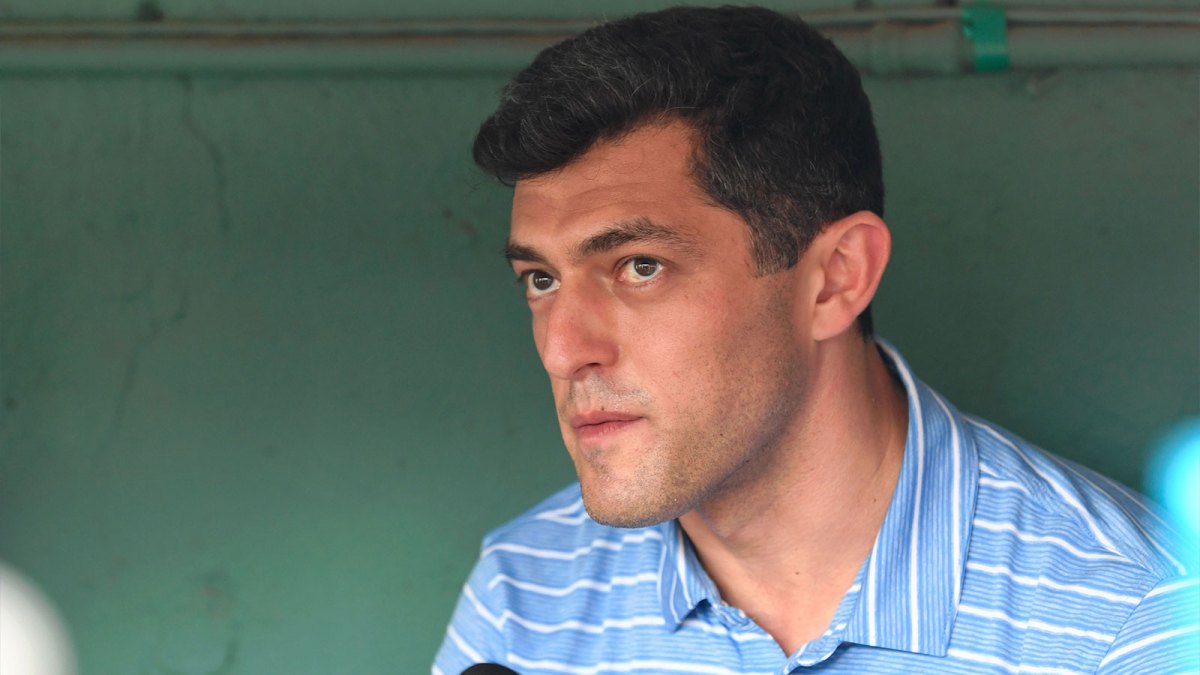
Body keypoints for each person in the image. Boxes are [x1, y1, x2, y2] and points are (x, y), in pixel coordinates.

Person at [433, 6, 1198, 674]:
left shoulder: (1133, 617)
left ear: (836, 278)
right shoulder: (526, 595)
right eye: (540, 280)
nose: (563, 350)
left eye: (639, 266)